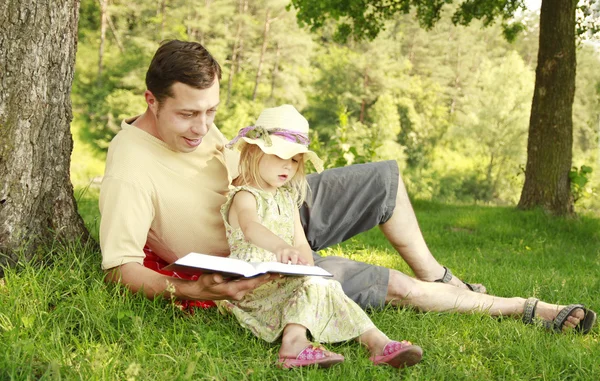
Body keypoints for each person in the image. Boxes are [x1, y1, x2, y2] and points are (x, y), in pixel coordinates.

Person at [99, 39, 596, 336]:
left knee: (384, 180)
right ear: (151, 100)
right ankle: (524, 309)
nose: (202, 125)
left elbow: (235, 166)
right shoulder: (130, 165)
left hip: (272, 203)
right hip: (255, 260)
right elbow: (120, 268)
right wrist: (192, 288)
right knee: (393, 286)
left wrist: (289, 214)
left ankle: (441, 276)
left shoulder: (198, 122)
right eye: (188, 114)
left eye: (210, 111)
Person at [215, 104, 422, 369]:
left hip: (282, 277)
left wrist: (307, 264)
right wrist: (280, 247)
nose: (288, 167)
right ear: (255, 151)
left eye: (294, 160)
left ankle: (377, 342)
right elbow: (251, 228)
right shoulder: (245, 196)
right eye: (280, 156)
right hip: (253, 283)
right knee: (314, 287)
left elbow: (299, 240)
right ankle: (293, 343)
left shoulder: (287, 198)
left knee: (327, 285)